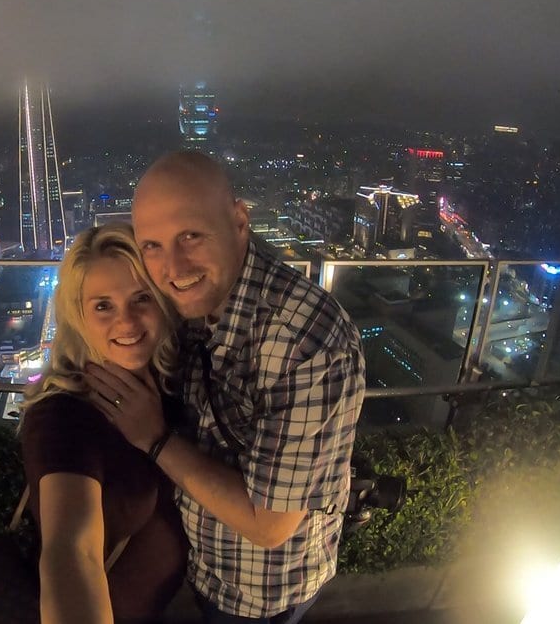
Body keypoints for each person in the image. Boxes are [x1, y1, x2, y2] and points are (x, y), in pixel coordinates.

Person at [85, 151, 366, 624]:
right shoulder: (187, 302)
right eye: (151, 245)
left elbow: (270, 524)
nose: (172, 266)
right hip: (202, 563)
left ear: (239, 222)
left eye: (191, 235)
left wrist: (153, 439)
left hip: (262, 594)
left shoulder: (306, 341)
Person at [20, 223, 189, 624]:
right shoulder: (64, 414)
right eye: (103, 306)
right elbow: (71, 552)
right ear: (77, 315)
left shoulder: (169, 385)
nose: (127, 322)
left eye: (141, 298)